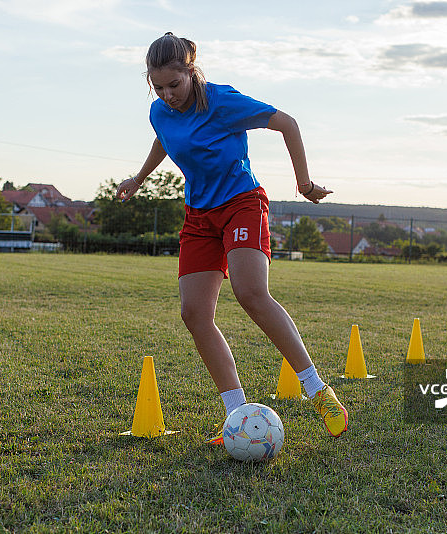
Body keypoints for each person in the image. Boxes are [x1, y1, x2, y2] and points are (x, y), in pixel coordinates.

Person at [116, 33, 348, 442]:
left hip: (241, 202)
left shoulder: (222, 101)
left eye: (175, 84)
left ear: (192, 71)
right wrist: (138, 178)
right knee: (194, 313)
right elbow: (164, 140)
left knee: (250, 292)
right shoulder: (160, 111)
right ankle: (236, 414)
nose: (168, 95)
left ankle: (318, 390)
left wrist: (305, 183)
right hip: (199, 215)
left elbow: (286, 123)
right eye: (159, 88)